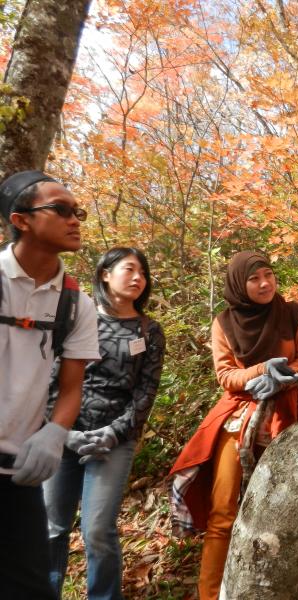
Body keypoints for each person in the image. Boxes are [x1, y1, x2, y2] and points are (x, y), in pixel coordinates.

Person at [169, 251, 298, 600]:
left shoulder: (293, 314)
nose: (265, 283)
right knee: (223, 511)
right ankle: (210, 593)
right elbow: (225, 375)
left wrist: (284, 378)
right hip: (237, 416)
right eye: (254, 278)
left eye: (269, 275)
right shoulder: (224, 322)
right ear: (239, 284)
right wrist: (260, 371)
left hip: (283, 414)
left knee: (282, 511)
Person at [43, 247, 166, 599]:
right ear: (105, 274)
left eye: (143, 272)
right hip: (63, 435)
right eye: (129, 269)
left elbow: (145, 394)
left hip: (115, 439)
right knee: (52, 527)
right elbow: (50, 380)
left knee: (97, 529)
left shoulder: (148, 330)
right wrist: (63, 433)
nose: (138, 277)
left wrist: (113, 433)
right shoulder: (75, 320)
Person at [0, 171, 100, 599]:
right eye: (61, 210)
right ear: (21, 220)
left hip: (18, 472)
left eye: (77, 211)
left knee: (28, 588)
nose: (75, 219)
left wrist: (55, 433)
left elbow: (73, 384)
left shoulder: (75, 303)